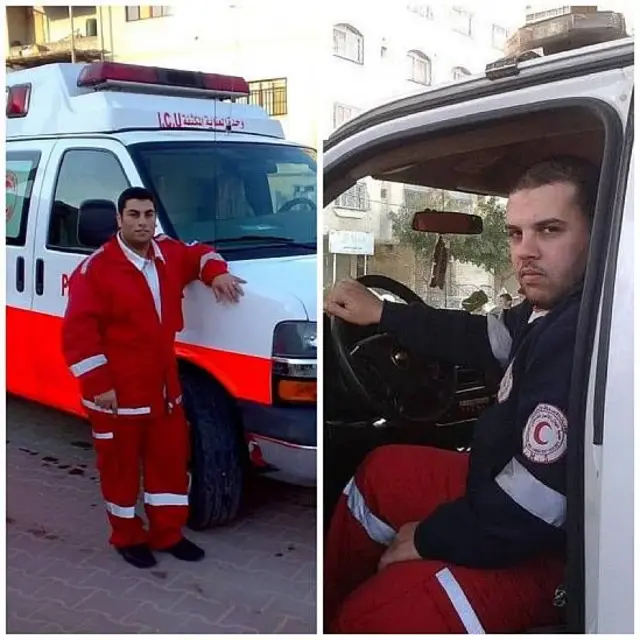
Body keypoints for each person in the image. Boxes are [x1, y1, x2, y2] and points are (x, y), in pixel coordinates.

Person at [323, 156, 598, 633]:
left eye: (549, 231)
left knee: (376, 619)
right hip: (505, 488)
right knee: (383, 470)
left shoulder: (579, 330)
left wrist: (427, 538)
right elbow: (483, 337)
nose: (525, 252)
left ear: (598, 234)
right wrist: (385, 316)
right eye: (515, 234)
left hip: (565, 550)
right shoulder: (548, 310)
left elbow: (532, 509)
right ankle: (328, 605)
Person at [62, 186, 246, 569]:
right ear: (119, 219)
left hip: (164, 394)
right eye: (134, 215)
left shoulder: (167, 255)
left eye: (148, 215)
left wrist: (217, 273)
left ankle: (168, 534)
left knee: (169, 466)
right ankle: (127, 536)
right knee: (120, 470)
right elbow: (78, 336)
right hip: (117, 397)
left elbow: (199, 253)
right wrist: (99, 386)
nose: (142, 222)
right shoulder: (96, 271)